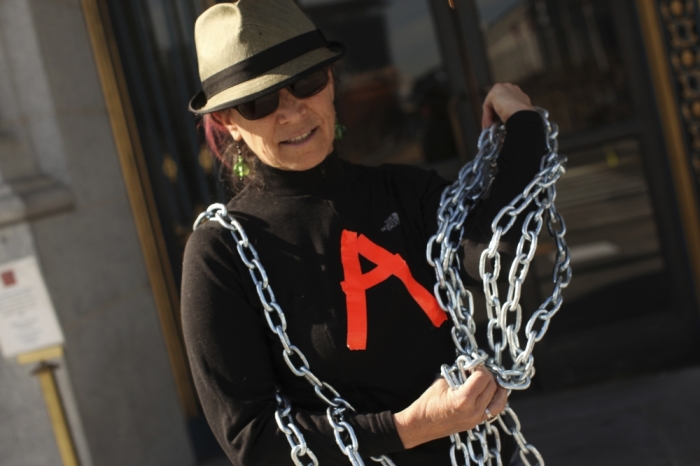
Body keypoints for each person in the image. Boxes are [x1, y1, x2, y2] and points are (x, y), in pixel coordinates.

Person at [181, 1, 546, 464]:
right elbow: (252, 441)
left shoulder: (402, 191)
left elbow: (496, 253)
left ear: (331, 81)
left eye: (305, 82)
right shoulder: (222, 253)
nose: (292, 111)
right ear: (230, 122)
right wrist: (408, 429)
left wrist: (525, 127)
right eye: (259, 102)